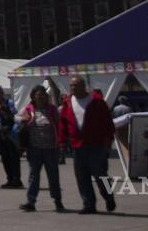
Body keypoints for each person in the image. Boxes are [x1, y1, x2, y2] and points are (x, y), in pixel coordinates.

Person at [58, 76, 116, 215]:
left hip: (96, 144)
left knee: (100, 174)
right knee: (82, 176)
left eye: (75, 85)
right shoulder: (68, 102)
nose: (72, 88)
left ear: (83, 86)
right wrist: (61, 142)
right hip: (78, 145)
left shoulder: (97, 101)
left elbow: (108, 122)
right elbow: (63, 124)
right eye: (71, 86)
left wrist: (108, 141)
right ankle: (89, 204)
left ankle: (109, 197)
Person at [19, 86, 64, 212]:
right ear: (33, 96)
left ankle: (57, 200)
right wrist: (24, 120)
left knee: (53, 176)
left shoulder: (52, 109)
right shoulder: (29, 109)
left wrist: (60, 144)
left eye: (42, 94)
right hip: (34, 149)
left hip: (51, 149)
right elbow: (22, 122)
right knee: (34, 176)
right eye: (37, 95)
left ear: (46, 96)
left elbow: (59, 125)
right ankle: (31, 201)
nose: (40, 97)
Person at [0, 85, 23, 188]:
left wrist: (2, 109)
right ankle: (9, 179)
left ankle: (17, 180)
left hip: (10, 133)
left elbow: (13, 116)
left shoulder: (9, 103)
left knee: (13, 157)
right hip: (0, 133)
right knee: (4, 158)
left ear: (2, 93)